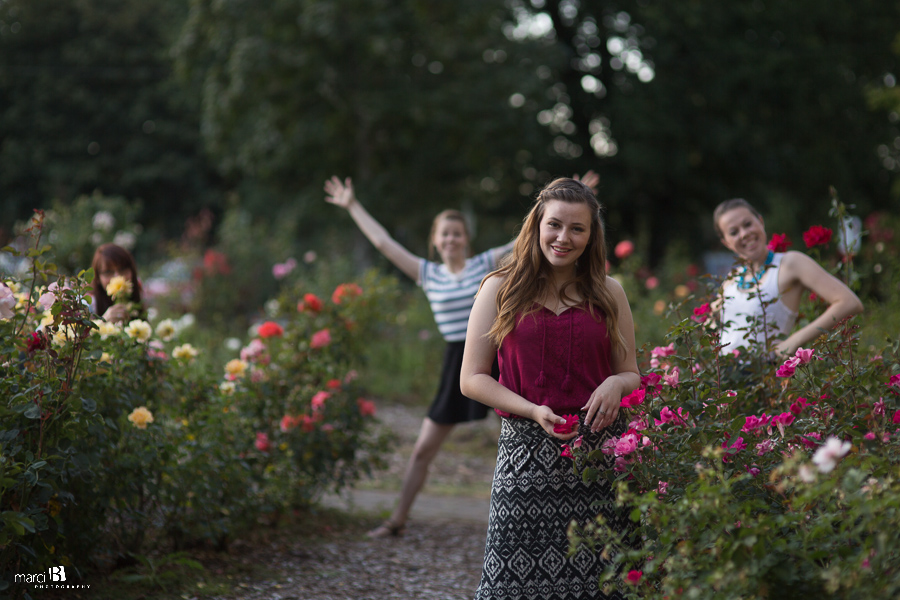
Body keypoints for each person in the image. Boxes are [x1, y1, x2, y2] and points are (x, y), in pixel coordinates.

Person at [460, 177, 640, 599]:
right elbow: (472, 379)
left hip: (600, 459)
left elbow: (631, 372)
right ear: (536, 225)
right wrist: (532, 410)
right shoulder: (499, 288)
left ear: (592, 235)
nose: (564, 237)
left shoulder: (610, 293)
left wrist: (616, 383)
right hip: (524, 459)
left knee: (603, 583)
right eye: (554, 225)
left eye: (577, 228)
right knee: (511, 585)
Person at [713, 198, 863, 357]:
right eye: (734, 232)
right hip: (725, 376)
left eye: (748, 224)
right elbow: (711, 322)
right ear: (726, 243)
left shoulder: (790, 263)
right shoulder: (732, 279)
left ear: (760, 221)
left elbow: (849, 303)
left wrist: (795, 340)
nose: (744, 234)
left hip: (764, 376)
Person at [90, 243, 143, 324]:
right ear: (98, 278)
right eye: (108, 272)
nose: (117, 277)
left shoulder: (140, 295)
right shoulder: (90, 306)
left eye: (123, 269)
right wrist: (103, 322)